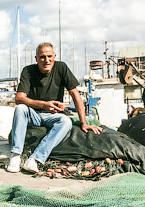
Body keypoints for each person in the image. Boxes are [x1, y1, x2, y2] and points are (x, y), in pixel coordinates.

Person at [7, 43, 101, 173]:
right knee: (20, 109)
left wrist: (83, 123)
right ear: (36, 59)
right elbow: (19, 99)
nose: (47, 60)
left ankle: (35, 159)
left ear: (54, 57)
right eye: (42, 57)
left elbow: (75, 95)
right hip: (33, 113)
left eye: (49, 56)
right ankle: (15, 156)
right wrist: (44, 105)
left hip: (52, 116)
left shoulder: (61, 68)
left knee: (66, 121)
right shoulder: (28, 71)